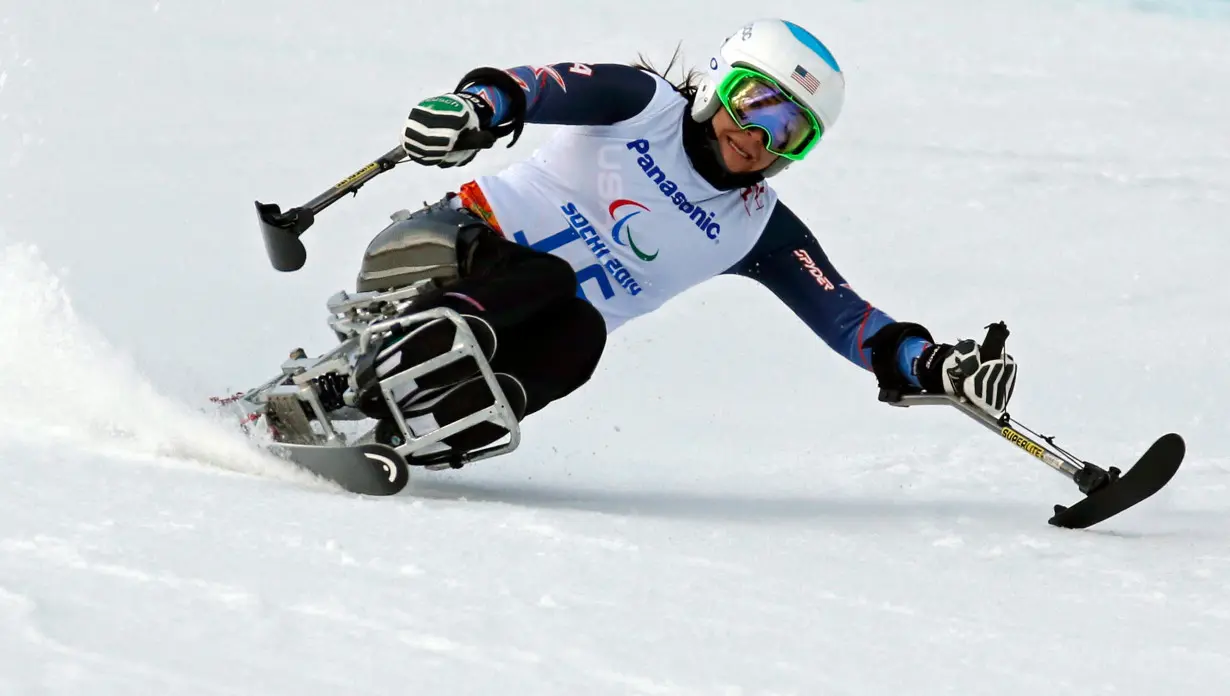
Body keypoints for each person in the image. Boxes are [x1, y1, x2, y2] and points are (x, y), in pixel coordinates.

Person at [348, 17, 1018, 458]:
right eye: (755, 103)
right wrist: (476, 110)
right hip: (435, 253)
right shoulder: (641, 103)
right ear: (719, 81)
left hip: (496, 336)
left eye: (789, 132)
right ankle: (361, 377)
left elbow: (850, 319)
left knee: (581, 337)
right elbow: (536, 89)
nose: (756, 138)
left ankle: (418, 431)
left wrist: (931, 365)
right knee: (553, 280)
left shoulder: (757, 226)